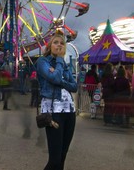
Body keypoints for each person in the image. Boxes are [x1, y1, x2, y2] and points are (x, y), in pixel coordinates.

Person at [36, 32, 77, 170]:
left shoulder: (64, 65)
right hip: (54, 112)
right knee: (54, 159)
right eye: (56, 42)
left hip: (69, 111)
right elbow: (53, 78)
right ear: (49, 46)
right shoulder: (43, 62)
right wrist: (59, 61)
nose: (59, 45)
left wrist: (60, 79)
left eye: (62, 43)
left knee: (63, 157)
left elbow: (74, 86)